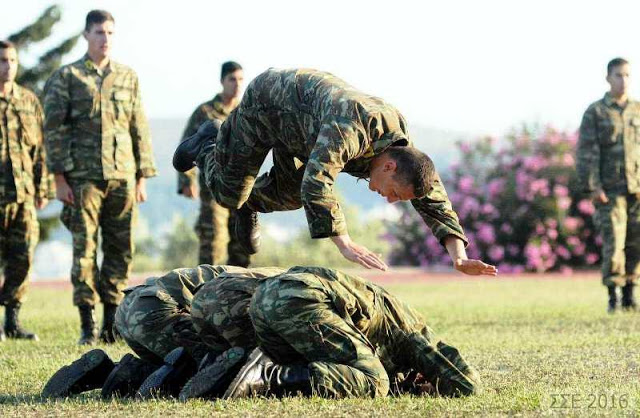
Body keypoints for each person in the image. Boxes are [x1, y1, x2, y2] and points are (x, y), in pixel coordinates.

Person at [174, 68, 496, 276]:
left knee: (289, 197)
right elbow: (317, 182)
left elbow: (433, 198)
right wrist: (345, 242)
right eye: (395, 193)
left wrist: (458, 255)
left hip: (302, 132)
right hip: (269, 105)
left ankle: (252, 204)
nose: (391, 201)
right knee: (229, 194)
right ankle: (208, 142)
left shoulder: (403, 150)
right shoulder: (352, 126)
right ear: (389, 166)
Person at [188, 265, 480, 399]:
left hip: (266, 299)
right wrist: (441, 379)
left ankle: (196, 372)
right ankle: (267, 378)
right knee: (375, 381)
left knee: (314, 366)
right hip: (299, 297)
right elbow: (467, 385)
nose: (422, 387)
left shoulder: (404, 362)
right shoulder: (415, 333)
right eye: (429, 384)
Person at [43, 10, 157, 345]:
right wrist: (59, 179)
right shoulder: (67, 77)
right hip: (83, 179)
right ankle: (87, 323)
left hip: (122, 176)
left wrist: (142, 177)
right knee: (85, 250)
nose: (104, 38)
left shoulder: (127, 76)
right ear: (85, 35)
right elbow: (54, 130)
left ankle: (112, 321)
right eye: (98, 32)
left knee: (120, 249)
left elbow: (139, 127)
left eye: (109, 32)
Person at [42, 264, 282, 399]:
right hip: (159, 308)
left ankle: (109, 371)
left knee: (172, 362)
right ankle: (143, 377)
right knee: (223, 369)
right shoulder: (283, 285)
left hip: (130, 308)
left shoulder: (267, 273)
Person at [576, 57, 640, 313]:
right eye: (618, 75)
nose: (623, 80)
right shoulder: (596, 112)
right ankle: (613, 295)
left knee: (636, 242)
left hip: (636, 188)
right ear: (608, 78)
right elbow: (586, 153)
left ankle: (629, 293)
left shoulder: (637, 110)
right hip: (610, 191)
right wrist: (594, 187)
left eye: (626, 75)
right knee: (615, 242)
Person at [0, 40, 53, 342]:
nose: (8, 67)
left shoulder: (29, 101)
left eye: (12, 60)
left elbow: (40, 150)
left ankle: (12, 320)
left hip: (23, 196)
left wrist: (42, 187)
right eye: (3, 61)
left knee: (23, 258)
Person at [177, 61, 251, 267]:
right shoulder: (205, 112)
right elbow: (187, 145)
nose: (237, 85)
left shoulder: (247, 111)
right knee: (213, 241)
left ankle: (239, 290)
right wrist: (186, 180)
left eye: (240, 80)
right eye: (232, 79)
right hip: (213, 186)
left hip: (243, 187)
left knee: (241, 241)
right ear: (222, 81)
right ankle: (207, 289)